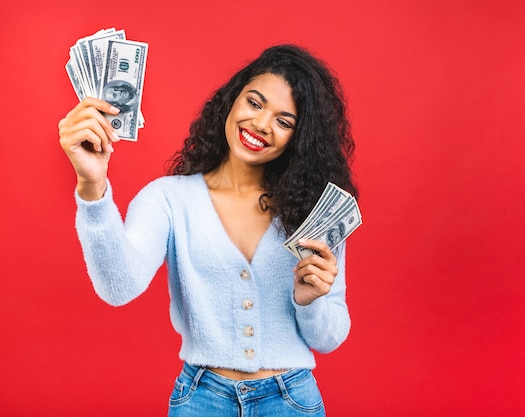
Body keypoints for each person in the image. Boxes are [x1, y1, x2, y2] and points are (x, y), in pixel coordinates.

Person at [58, 44, 358, 417]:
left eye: (284, 122)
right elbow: (118, 287)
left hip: (292, 401)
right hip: (201, 401)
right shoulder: (169, 199)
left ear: (299, 139)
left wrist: (309, 300)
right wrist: (92, 187)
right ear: (232, 101)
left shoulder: (316, 213)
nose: (262, 124)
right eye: (254, 102)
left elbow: (328, 338)